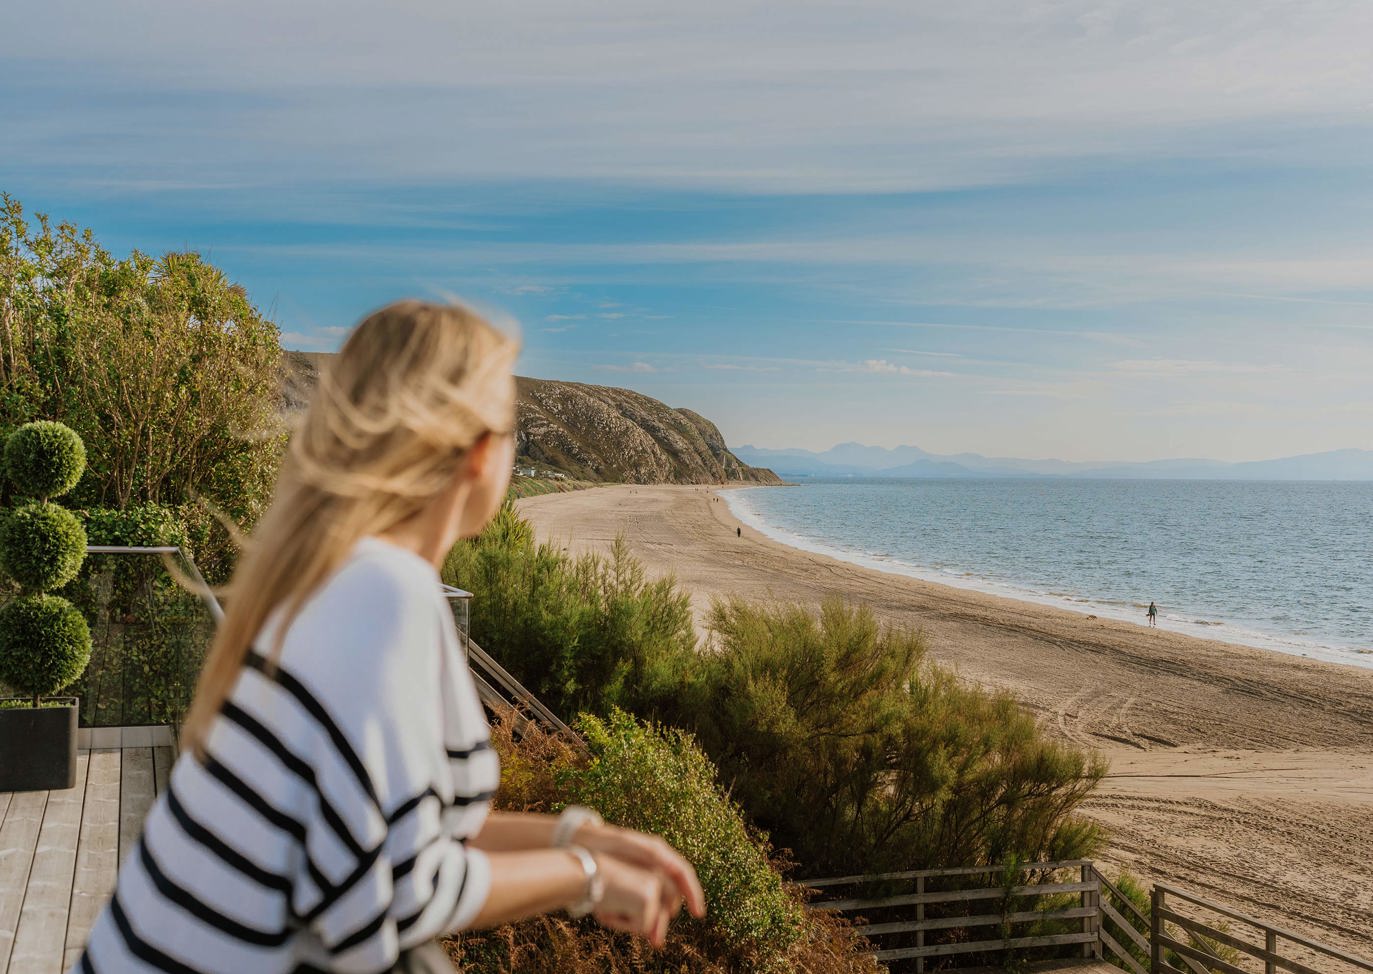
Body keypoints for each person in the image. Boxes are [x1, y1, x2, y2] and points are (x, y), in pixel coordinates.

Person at [76, 302, 704, 973]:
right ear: (479, 453)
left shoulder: (333, 577)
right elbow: (386, 902)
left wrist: (579, 836)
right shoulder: (381, 594)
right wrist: (587, 877)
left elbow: (395, 837)